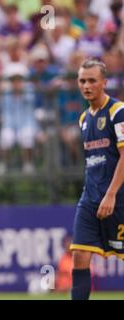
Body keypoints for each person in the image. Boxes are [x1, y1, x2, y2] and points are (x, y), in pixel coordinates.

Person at [70, 58, 124, 300]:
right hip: (90, 198)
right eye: (82, 80)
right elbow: (94, 161)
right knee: (79, 254)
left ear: (104, 82)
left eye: (92, 80)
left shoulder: (118, 112)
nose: (86, 85)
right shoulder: (83, 119)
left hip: (118, 198)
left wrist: (111, 193)